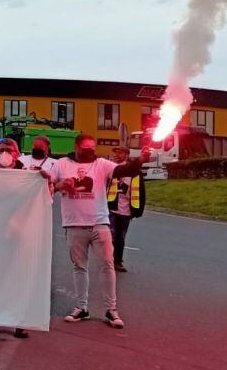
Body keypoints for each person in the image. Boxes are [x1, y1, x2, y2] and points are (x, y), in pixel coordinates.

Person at [48, 134, 149, 329]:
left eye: (93, 149)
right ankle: (81, 307)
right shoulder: (61, 164)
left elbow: (124, 170)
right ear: (76, 147)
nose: (90, 153)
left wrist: (140, 161)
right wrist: (62, 185)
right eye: (86, 149)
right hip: (74, 224)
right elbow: (48, 185)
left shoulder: (101, 164)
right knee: (79, 267)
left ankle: (111, 310)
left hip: (100, 223)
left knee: (107, 265)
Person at [107, 147, 145, 273]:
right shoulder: (110, 168)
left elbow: (140, 191)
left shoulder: (134, 171)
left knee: (121, 238)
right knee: (111, 236)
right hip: (112, 208)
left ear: (127, 155)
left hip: (127, 210)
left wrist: (138, 210)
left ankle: (118, 261)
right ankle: (109, 261)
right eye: (116, 153)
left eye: (121, 152)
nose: (118, 155)